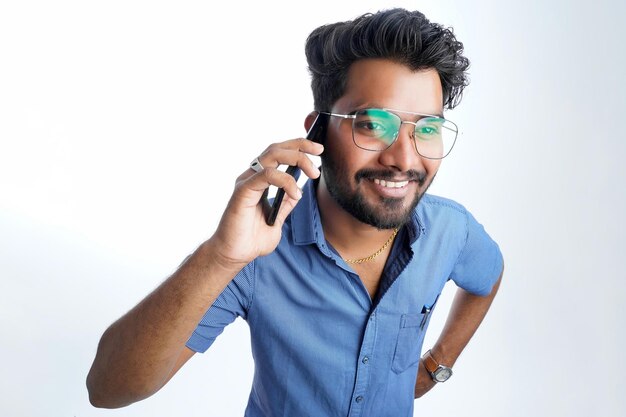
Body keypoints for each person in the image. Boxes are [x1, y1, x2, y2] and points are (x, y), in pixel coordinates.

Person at [87, 7, 504, 416]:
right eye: (374, 124)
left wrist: (437, 364)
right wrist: (221, 257)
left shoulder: (451, 229)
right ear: (317, 130)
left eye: (427, 128)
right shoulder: (256, 250)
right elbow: (108, 389)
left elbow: (488, 276)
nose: (403, 158)